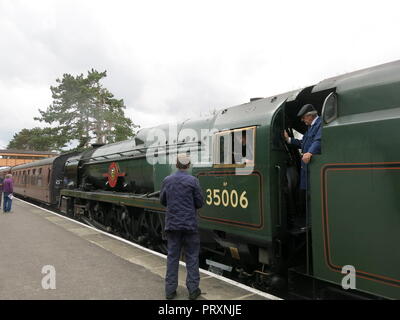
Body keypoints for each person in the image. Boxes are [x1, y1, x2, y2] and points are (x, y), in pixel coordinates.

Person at [160, 154, 204, 300]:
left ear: (176, 164)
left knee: (172, 256)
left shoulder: (167, 180)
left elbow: (163, 200)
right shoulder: (193, 181)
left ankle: (170, 291)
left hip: (173, 225)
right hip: (189, 225)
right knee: (192, 256)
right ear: (188, 164)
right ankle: (193, 290)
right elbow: (199, 203)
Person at [284, 104, 322, 222]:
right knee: (307, 196)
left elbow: (319, 141)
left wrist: (310, 153)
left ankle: (313, 222)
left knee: (313, 196)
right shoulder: (311, 127)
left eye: (303, 118)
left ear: (310, 116)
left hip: (313, 168)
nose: (302, 120)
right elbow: (303, 143)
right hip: (306, 168)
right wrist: (289, 140)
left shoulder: (320, 124)